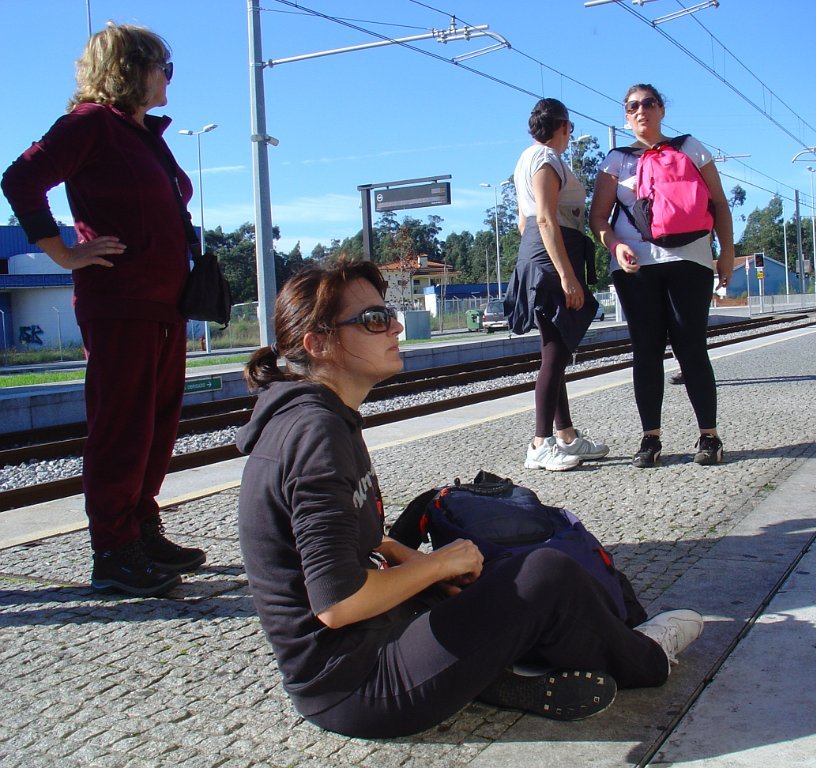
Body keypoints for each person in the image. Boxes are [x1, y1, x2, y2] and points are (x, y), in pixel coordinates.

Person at [235, 262, 705, 738]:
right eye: (374, 320)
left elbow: (357, 542)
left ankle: (511, 669)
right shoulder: (315, 435)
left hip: (379, 635)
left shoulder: (324, 417)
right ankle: (647, 658)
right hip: (356, 684)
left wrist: (421, 565)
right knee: (547, 573)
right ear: (318, 344)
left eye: (389, 314)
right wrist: (438, 564)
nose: (396, 327)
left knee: (497, 569)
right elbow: (338, 602)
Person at [1, 23, 205, 597]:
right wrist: (64, 252)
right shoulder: (89, 123)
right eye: (164, 67)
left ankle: (141, 528)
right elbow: (20, 180)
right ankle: (113, 552)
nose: (169, 79)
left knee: (157, 424)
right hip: (119, 302)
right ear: (131, 68)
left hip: (165, 304)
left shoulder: (142, 133)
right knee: (123, 427)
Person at [590, 84, 735, 468]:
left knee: (692, 347)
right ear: (626, 117)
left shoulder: (691, 148)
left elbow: (719, 202)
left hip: (691, 260)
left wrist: (727, 252)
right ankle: (650, 438)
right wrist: (614, 246)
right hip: (636, 266)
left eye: (649, 103)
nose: (642, 111)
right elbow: (598, 216)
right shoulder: (616, 161)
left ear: (662, 109)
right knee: (646, 350)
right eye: (633, 106)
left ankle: (709, 436)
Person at [504, 98, 609, 471]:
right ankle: (539, 444)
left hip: (541, 256)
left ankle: (565, 436)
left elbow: (524, 222)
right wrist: (566, 275)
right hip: (552, 260)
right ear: (564, 127)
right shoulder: (546, 159)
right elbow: (546, 219)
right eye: (570, 129)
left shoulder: (527, 159)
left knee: (557, 348)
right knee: (554, 353)